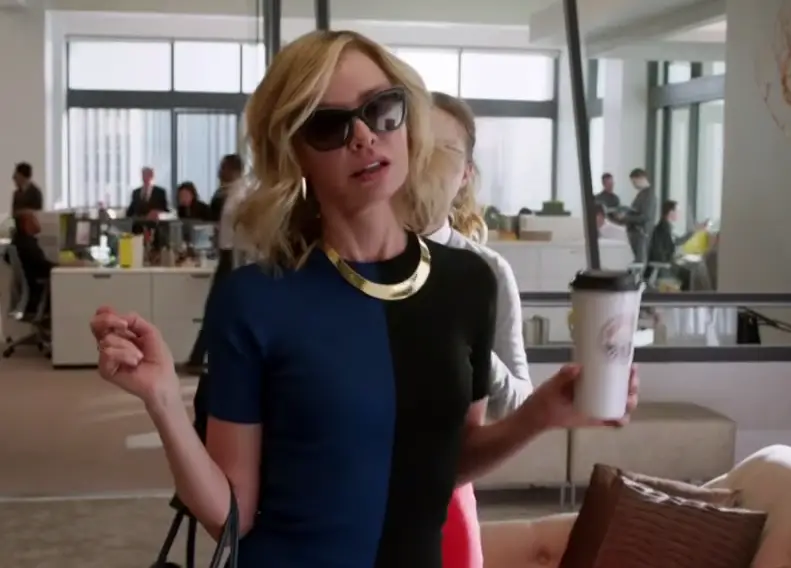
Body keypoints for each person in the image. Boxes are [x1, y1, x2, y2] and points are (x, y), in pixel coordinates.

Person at [90, 30, 638, 568]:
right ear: (295, 154)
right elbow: (231, 514)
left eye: (382, 109)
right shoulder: (256, 300)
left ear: (408, 120)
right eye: (328, 125)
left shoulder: (468, 282)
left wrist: (538, 415)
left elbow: (444, 467)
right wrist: (163, 400)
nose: (364, 136)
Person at [426, 92, 533, 568]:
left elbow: (520, 401)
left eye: (442, 151)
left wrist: (470, 347)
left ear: (466, 173)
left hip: (446, 497)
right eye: (414, 145)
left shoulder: (486, 272)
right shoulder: (354, 260)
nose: (424, 163)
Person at [184, 153, 247, 372]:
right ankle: (198, 358)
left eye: (223, 167)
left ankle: (198, 358)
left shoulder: (242, 195)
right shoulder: (229, 194)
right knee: (216, 309)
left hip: (233, 258)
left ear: (233, 170)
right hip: (226, 256)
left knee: (216, 308)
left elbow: (244, 233)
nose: (219, 172)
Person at [618, 168, 656, 264]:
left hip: (641, 234)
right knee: (636, 261)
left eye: (634, 182)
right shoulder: (642, 194)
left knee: (639, 263)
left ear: (641, 178)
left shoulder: (649, 195)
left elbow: (645, 217)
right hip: (637, 234)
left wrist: (625, 218)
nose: (633, 185)